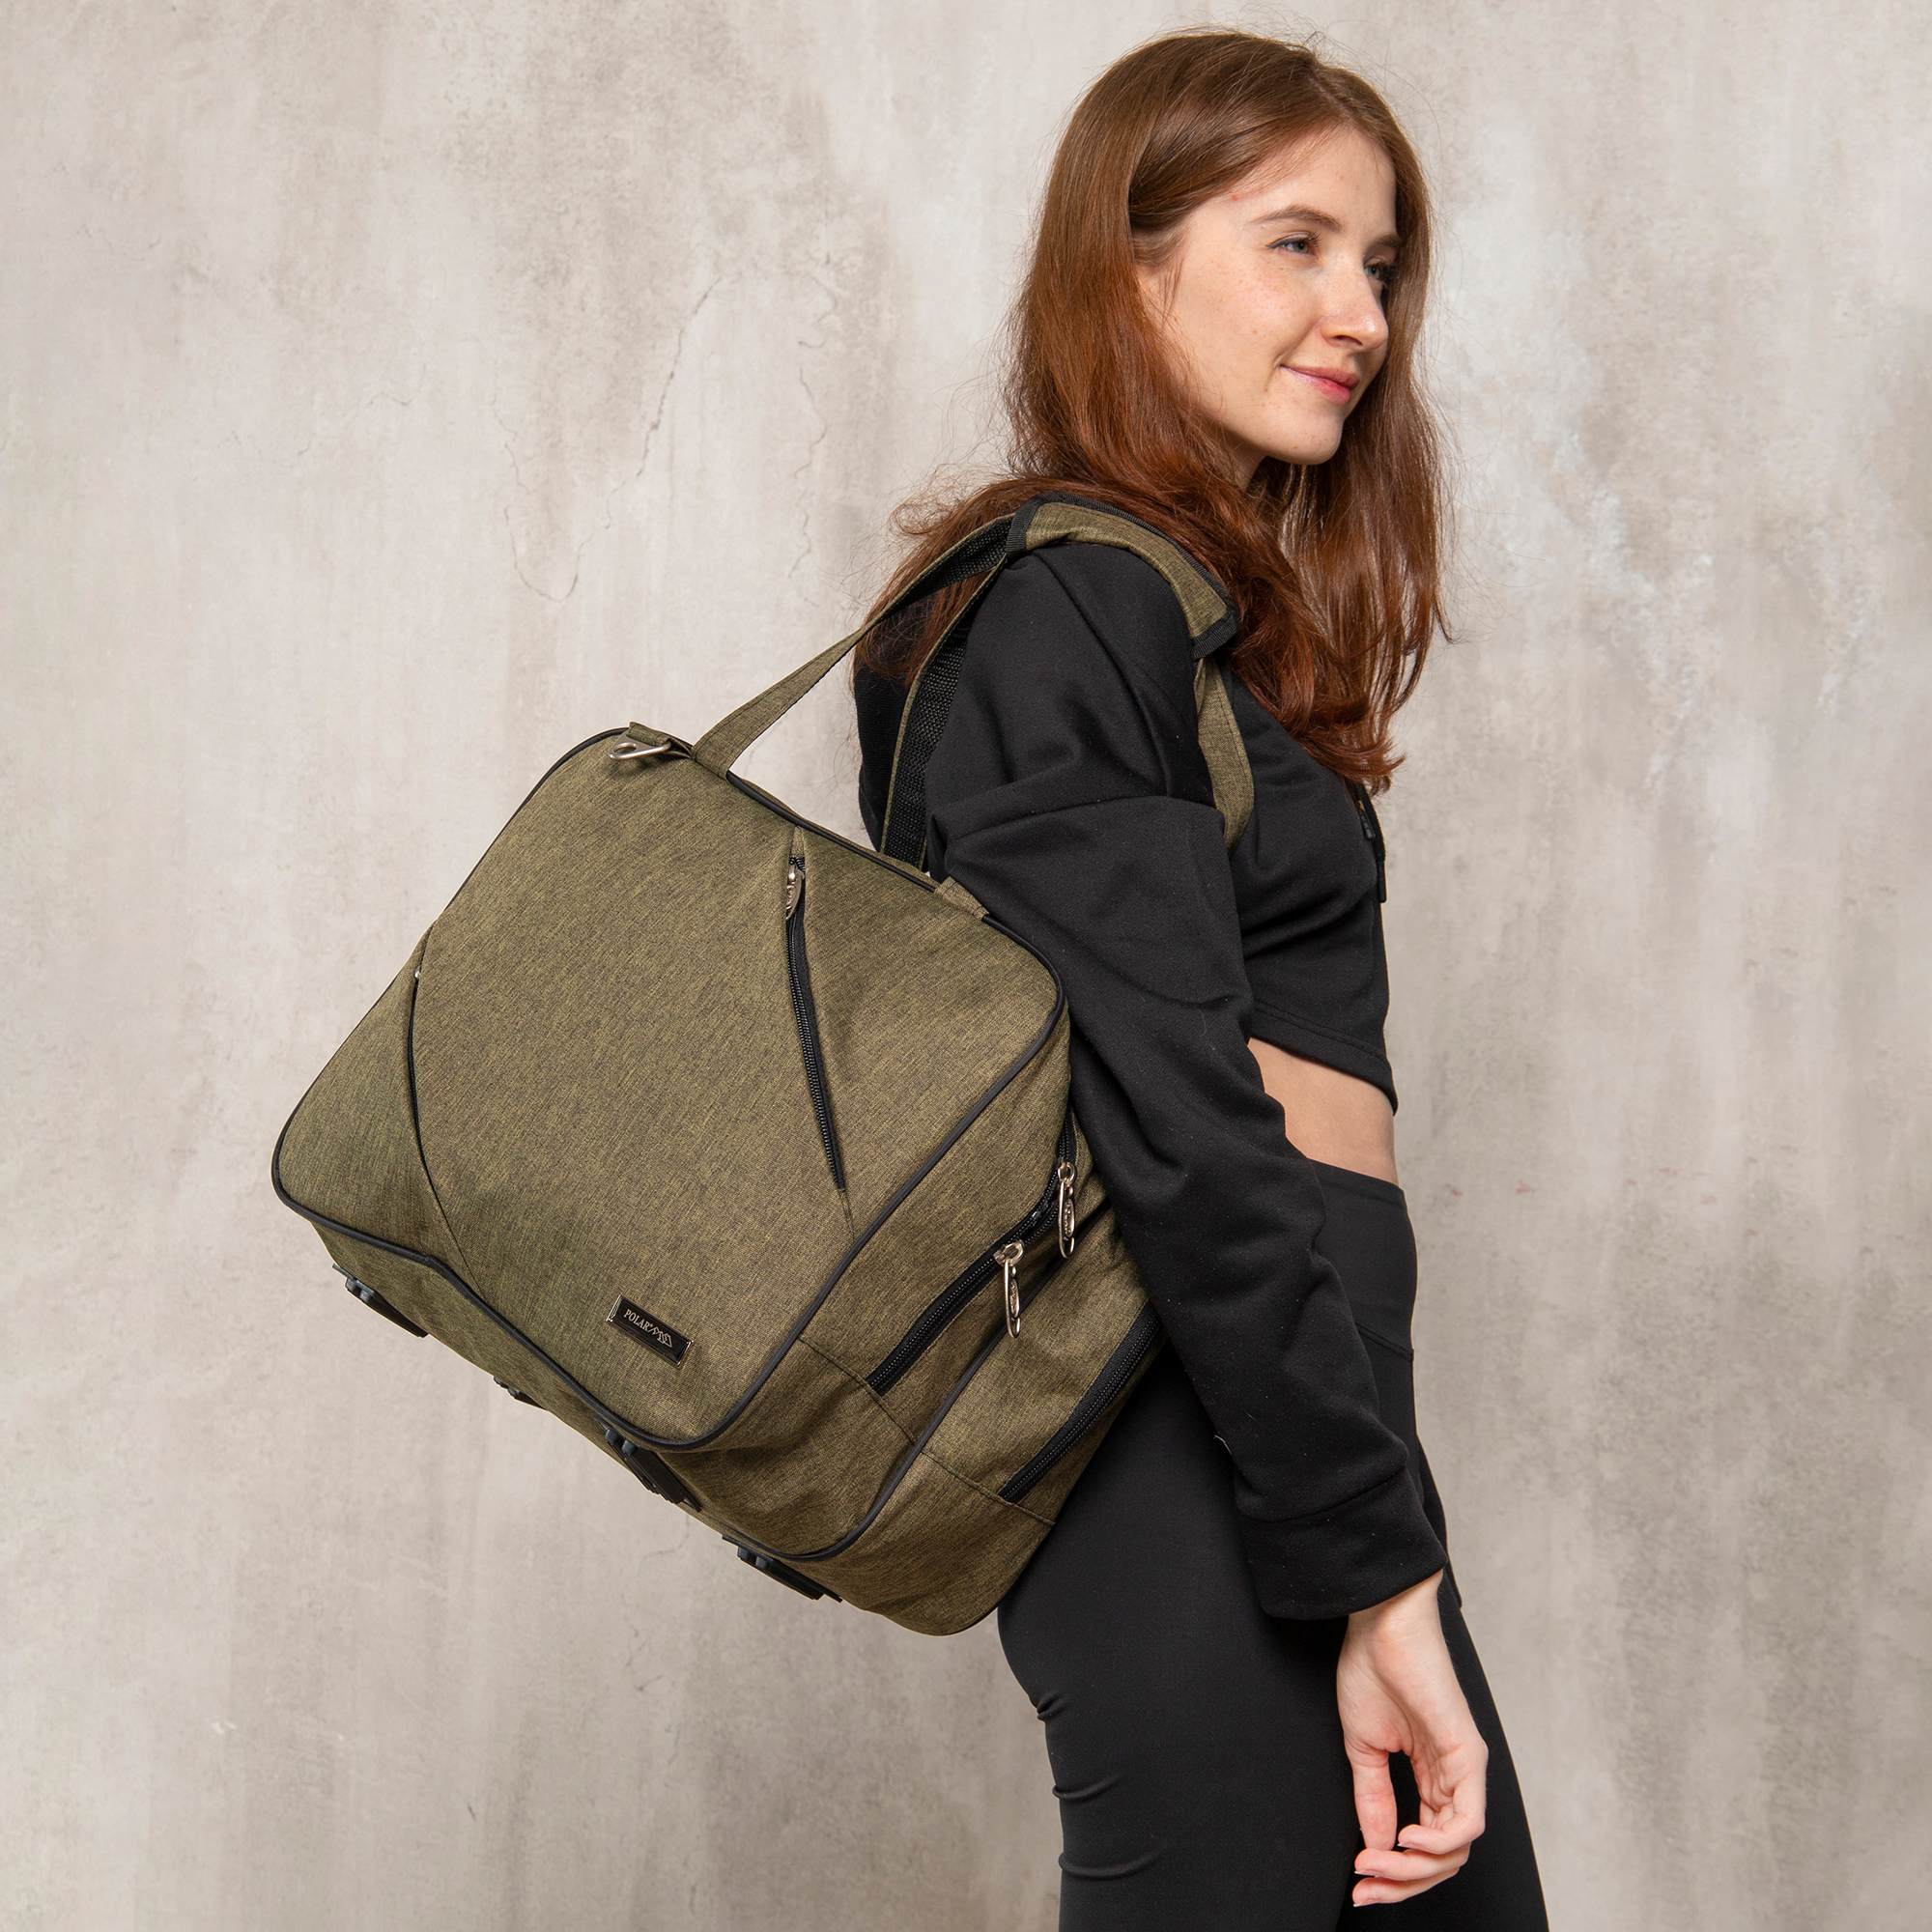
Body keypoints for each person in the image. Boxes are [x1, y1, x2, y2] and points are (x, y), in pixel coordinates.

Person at [848, 28, 1549, 1929]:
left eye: (1380, 263)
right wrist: (1368, 1556)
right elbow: (1173, 1113)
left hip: (1288, 1423)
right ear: (1130, 267)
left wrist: (1370, 1522)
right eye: (1295, 244)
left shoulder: (1174, 610)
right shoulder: (1066, 600)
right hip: (1182, 1434)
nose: (1362, 315)